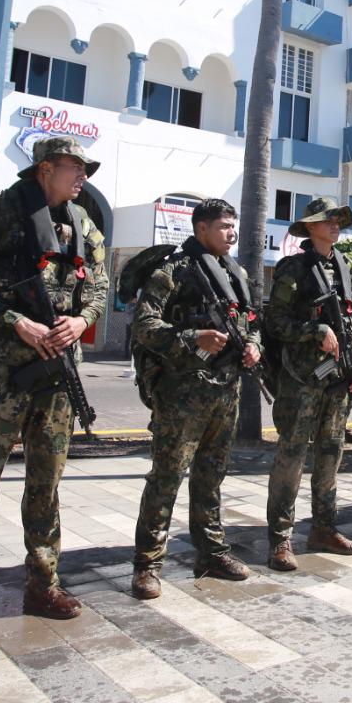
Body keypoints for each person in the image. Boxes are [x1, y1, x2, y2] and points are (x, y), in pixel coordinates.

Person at [0, 137, 108, 648]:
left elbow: (98, 282)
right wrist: (13, 323)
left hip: (56, 376)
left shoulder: (84, 222)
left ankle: (43, 584)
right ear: (45, 168)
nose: (82, 177)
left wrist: (83, 319)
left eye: (85, 169)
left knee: (45, 485)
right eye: (75, 167)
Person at [130, 199, 261, 599]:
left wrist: (254, 344)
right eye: (223, 226)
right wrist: (193, 338)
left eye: (233, 225)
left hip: (225, 390)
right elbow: (144, 325)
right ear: (201, 228)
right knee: (167, 477)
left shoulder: (234, 271)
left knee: (212, 476)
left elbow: (251, 318)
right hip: (182, 393)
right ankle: (148, 565)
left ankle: (211, 552)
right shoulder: (172, 271)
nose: (231, 233)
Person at [263, 197, 352, 571]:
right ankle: (280, 539)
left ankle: (324, 527)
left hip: (337, 382)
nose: (336, 224)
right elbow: (273, 322)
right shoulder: (293, 268)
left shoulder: (345, 266)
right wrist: (314, 329)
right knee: (291, 457)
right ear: (310, 227)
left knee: (330, 456)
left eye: (338, 218)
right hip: (302, 381)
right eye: (328, 219)